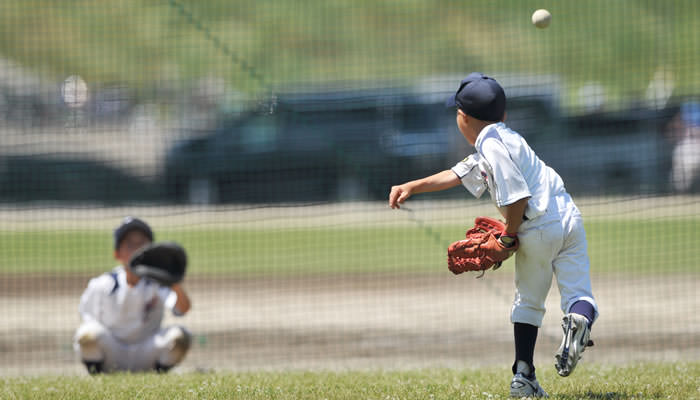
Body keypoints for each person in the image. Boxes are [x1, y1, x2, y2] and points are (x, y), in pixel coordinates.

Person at [388, 73, 599, 397]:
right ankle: (579, 321)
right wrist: (411, 186)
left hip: (536, 226)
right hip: (568, 217)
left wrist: (507, 238)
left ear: (463, 118)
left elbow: (517, 197)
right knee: (579, 295)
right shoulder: (506, 137)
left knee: (528, 302)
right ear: (503, 114)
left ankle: (524, 376)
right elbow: (459, 173)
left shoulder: (489, 142)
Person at [73, 217, 192, 374]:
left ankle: (158, 376)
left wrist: (174, 282)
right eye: (130, 244)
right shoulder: (102, 284)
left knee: (180, 336)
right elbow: (87, 318)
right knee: (87, 334)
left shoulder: (157, 283)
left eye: (142, 244)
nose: (136, 249)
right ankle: (98, 375)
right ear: (117, 253)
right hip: (112, 351)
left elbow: (182, 309)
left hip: (147, 351)